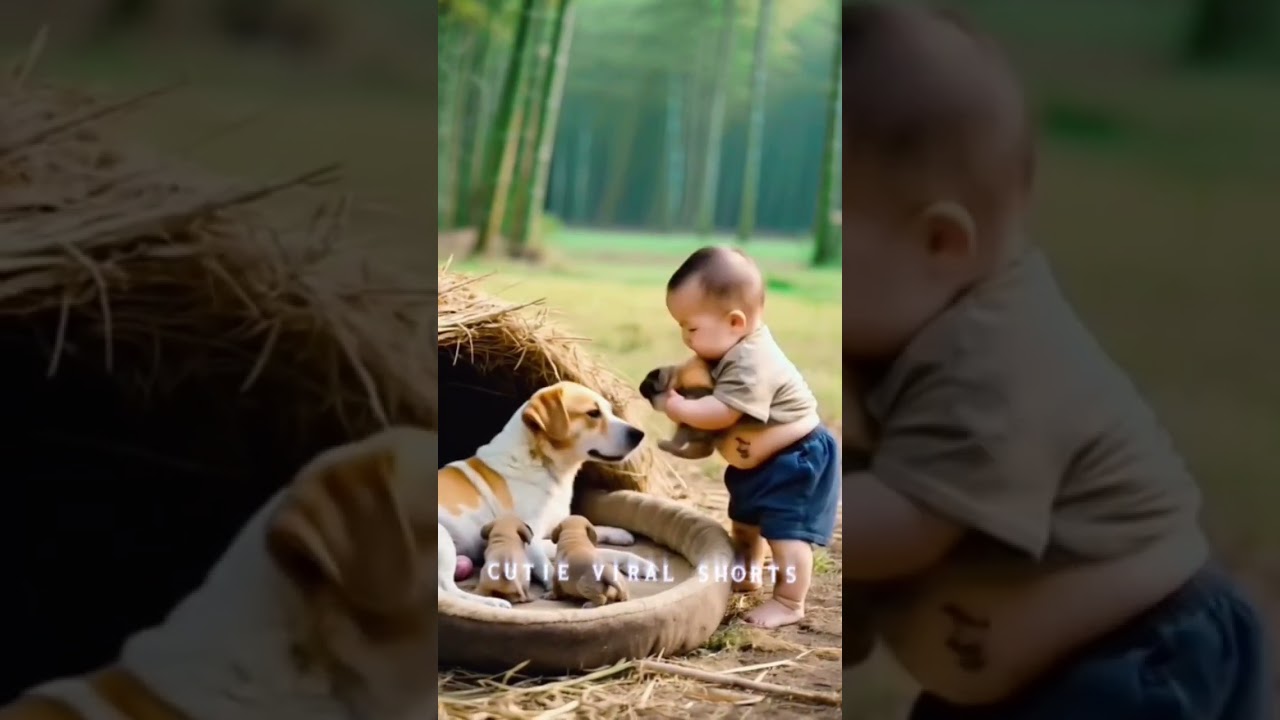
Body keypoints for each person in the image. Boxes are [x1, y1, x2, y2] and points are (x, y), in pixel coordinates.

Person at [838, 3, 1270, 718]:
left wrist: (793, 506)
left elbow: (914, 523)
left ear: (941, 243)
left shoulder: (993, 356)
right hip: (1023, 680)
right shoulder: (900, 329)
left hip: (1139, 660)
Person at [658, 245, 840, 629]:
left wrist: (679, 409)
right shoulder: (728, 353)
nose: (686, 338)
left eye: (690, 328)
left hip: (796, 461)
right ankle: (746, 573)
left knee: (786, 535)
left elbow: (724, 411)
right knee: (744, 523)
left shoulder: (753, 361)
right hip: (759, 466)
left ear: (736, 322)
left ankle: (790, 601)